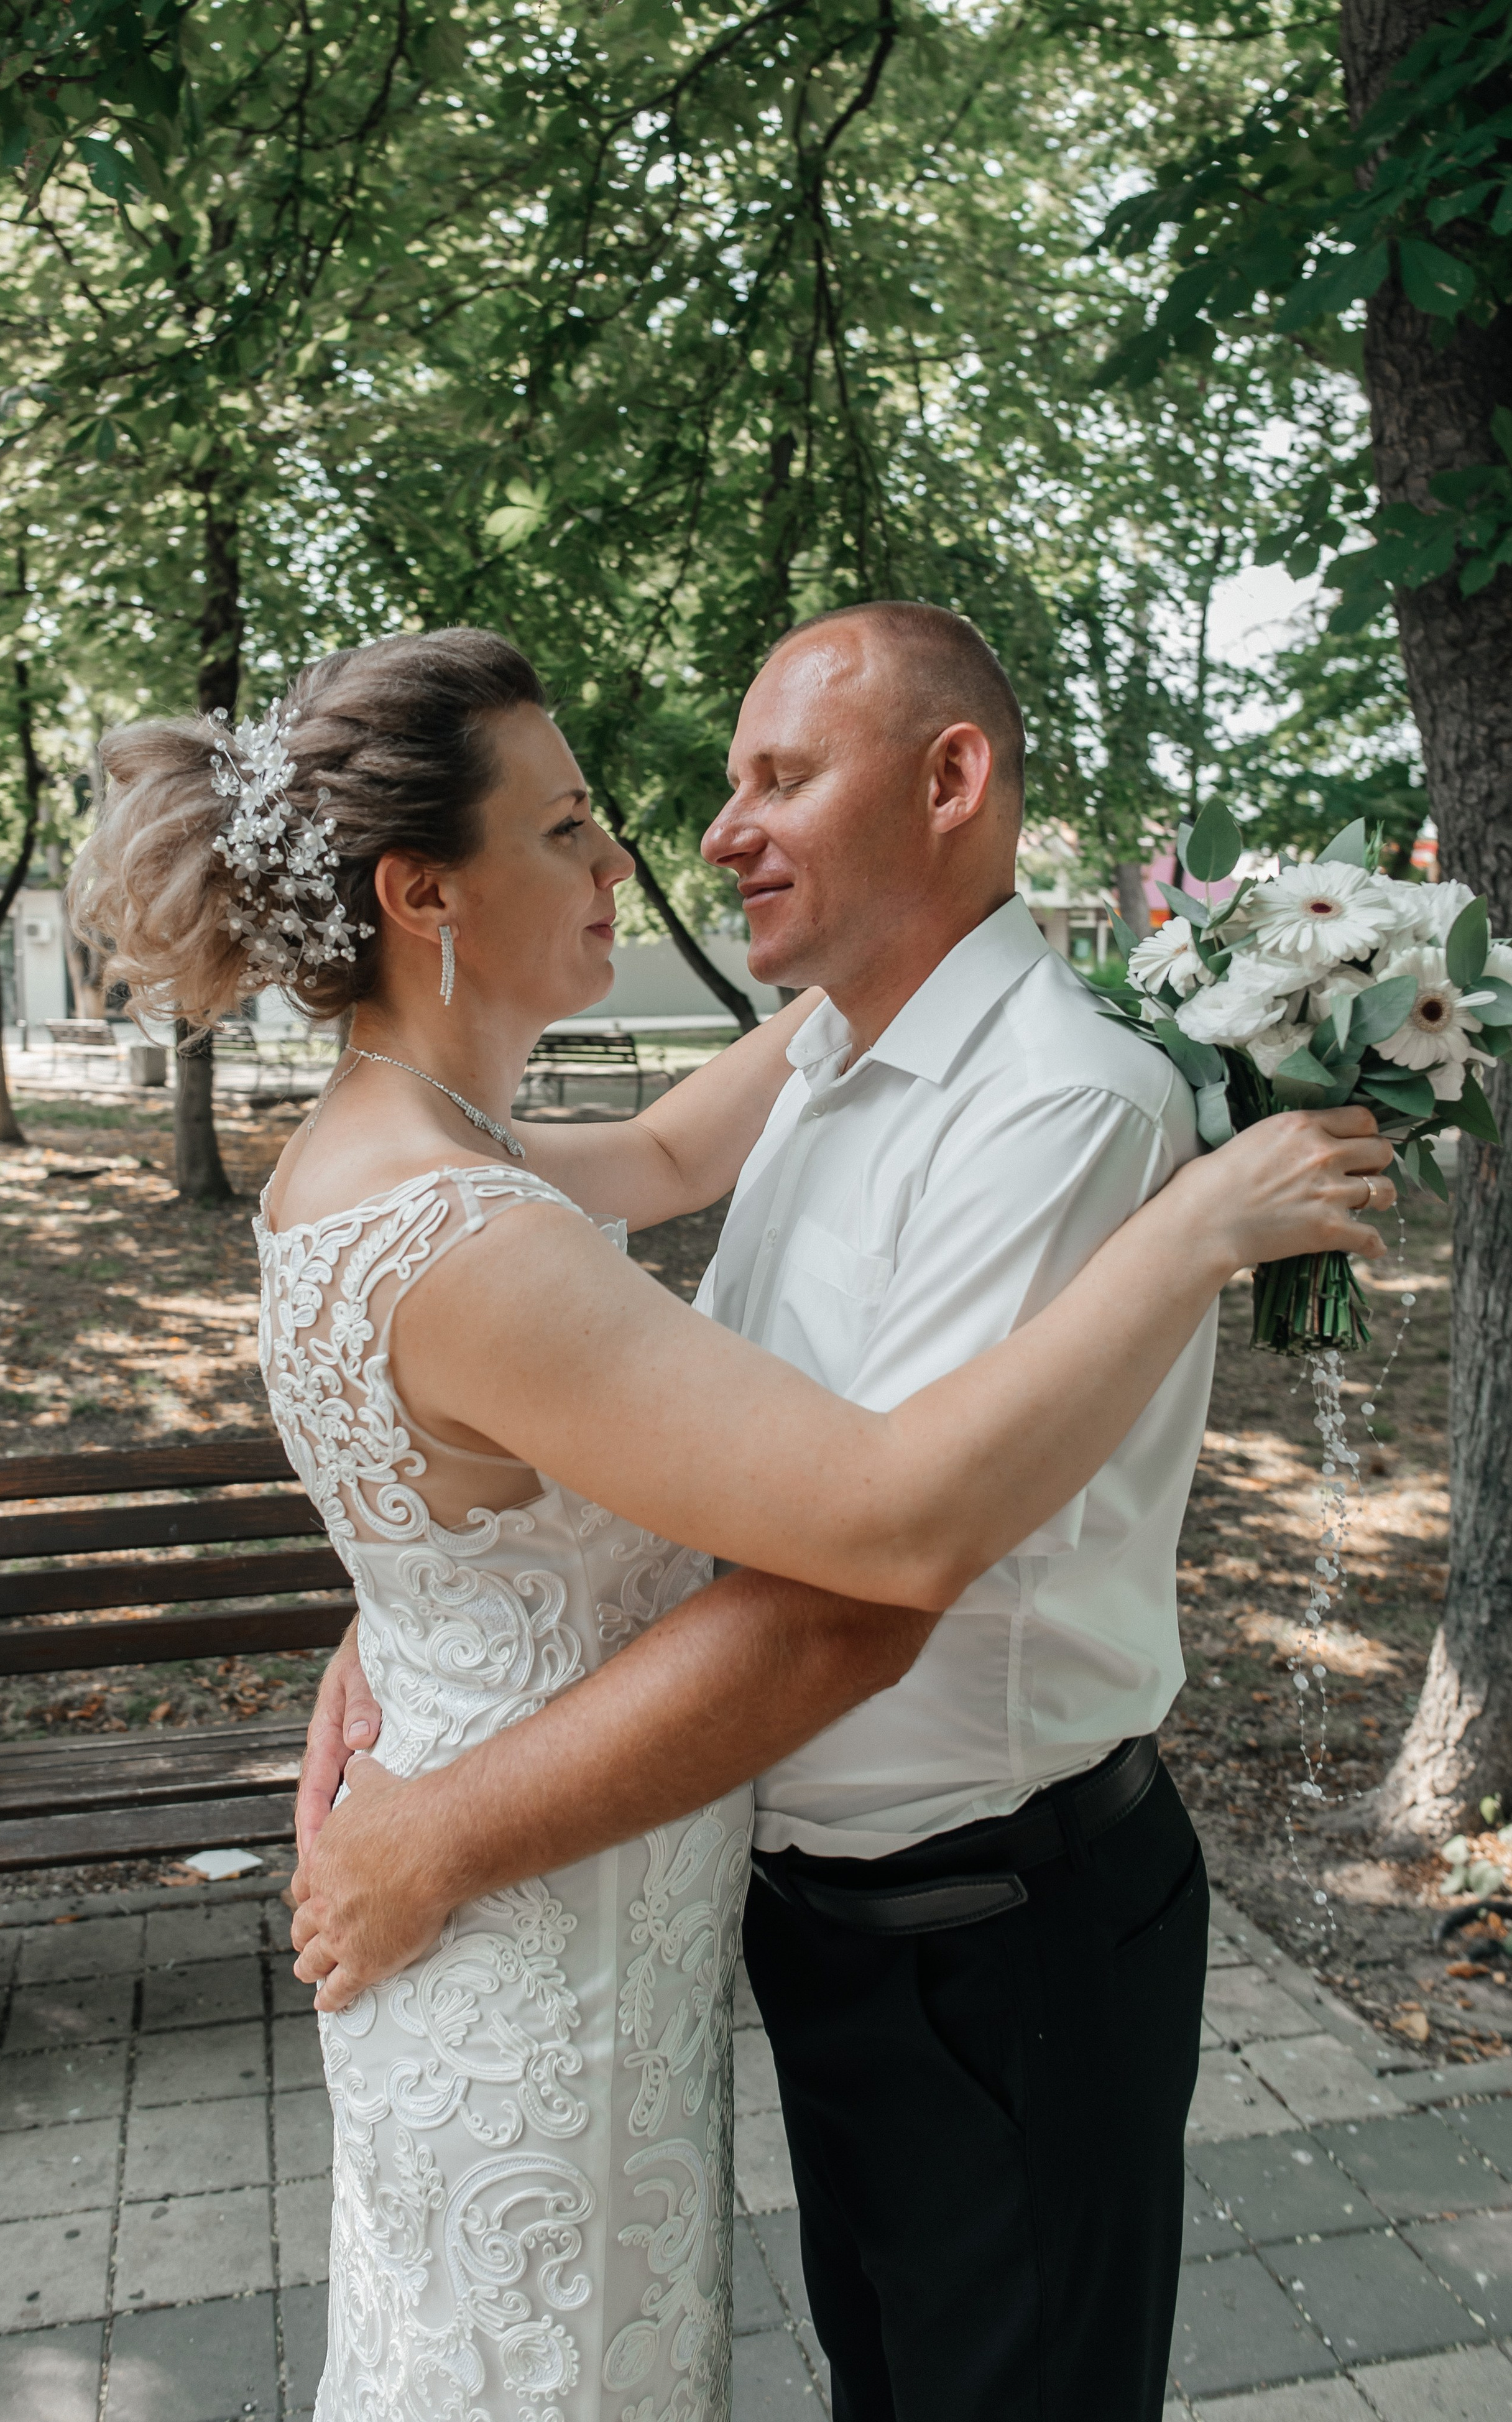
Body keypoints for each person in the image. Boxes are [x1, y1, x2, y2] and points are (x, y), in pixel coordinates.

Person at [73, 620, 1393, 2422]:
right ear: (420, 893)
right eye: (570, 827)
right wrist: (414, 1640)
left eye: (776, 779)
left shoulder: (424, 1150)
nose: (661, 848)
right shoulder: (466, 1209)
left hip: (970, 1920)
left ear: (949, 783)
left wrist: (423, 1644)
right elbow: (841, 1503)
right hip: (594, 1941)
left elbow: (838, 1518)